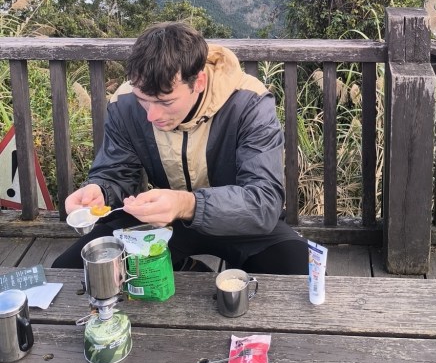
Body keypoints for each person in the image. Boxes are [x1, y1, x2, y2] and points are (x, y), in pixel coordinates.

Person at [53, 21, 309, 274]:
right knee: (70, 271)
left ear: (198, 82)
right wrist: (101, 191)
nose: (151, 115)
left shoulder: (249, 103)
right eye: (143, 100)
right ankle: (187, 268)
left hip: (238, 222)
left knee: (298, 272)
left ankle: (183, 268)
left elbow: (263, 201)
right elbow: (116, 174)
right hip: (161, 219)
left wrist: (187, 204)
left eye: (165, 102)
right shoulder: (125, 103)